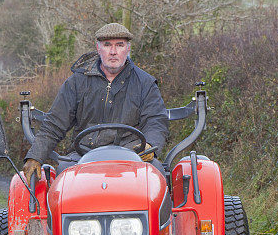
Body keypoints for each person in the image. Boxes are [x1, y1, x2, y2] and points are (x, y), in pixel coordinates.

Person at [23, 22, 169, 182]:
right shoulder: (76, 82)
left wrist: (150, 145)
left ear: (128, 49)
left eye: (119, 45)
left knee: (156, 173)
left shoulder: (145, 83)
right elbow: (54, 124)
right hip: (84, 154)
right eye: (107, 45)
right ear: (98, 48)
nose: (113, 52)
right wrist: (35, 156)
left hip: (132, 154)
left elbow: (155, 121)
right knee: (63, 175)